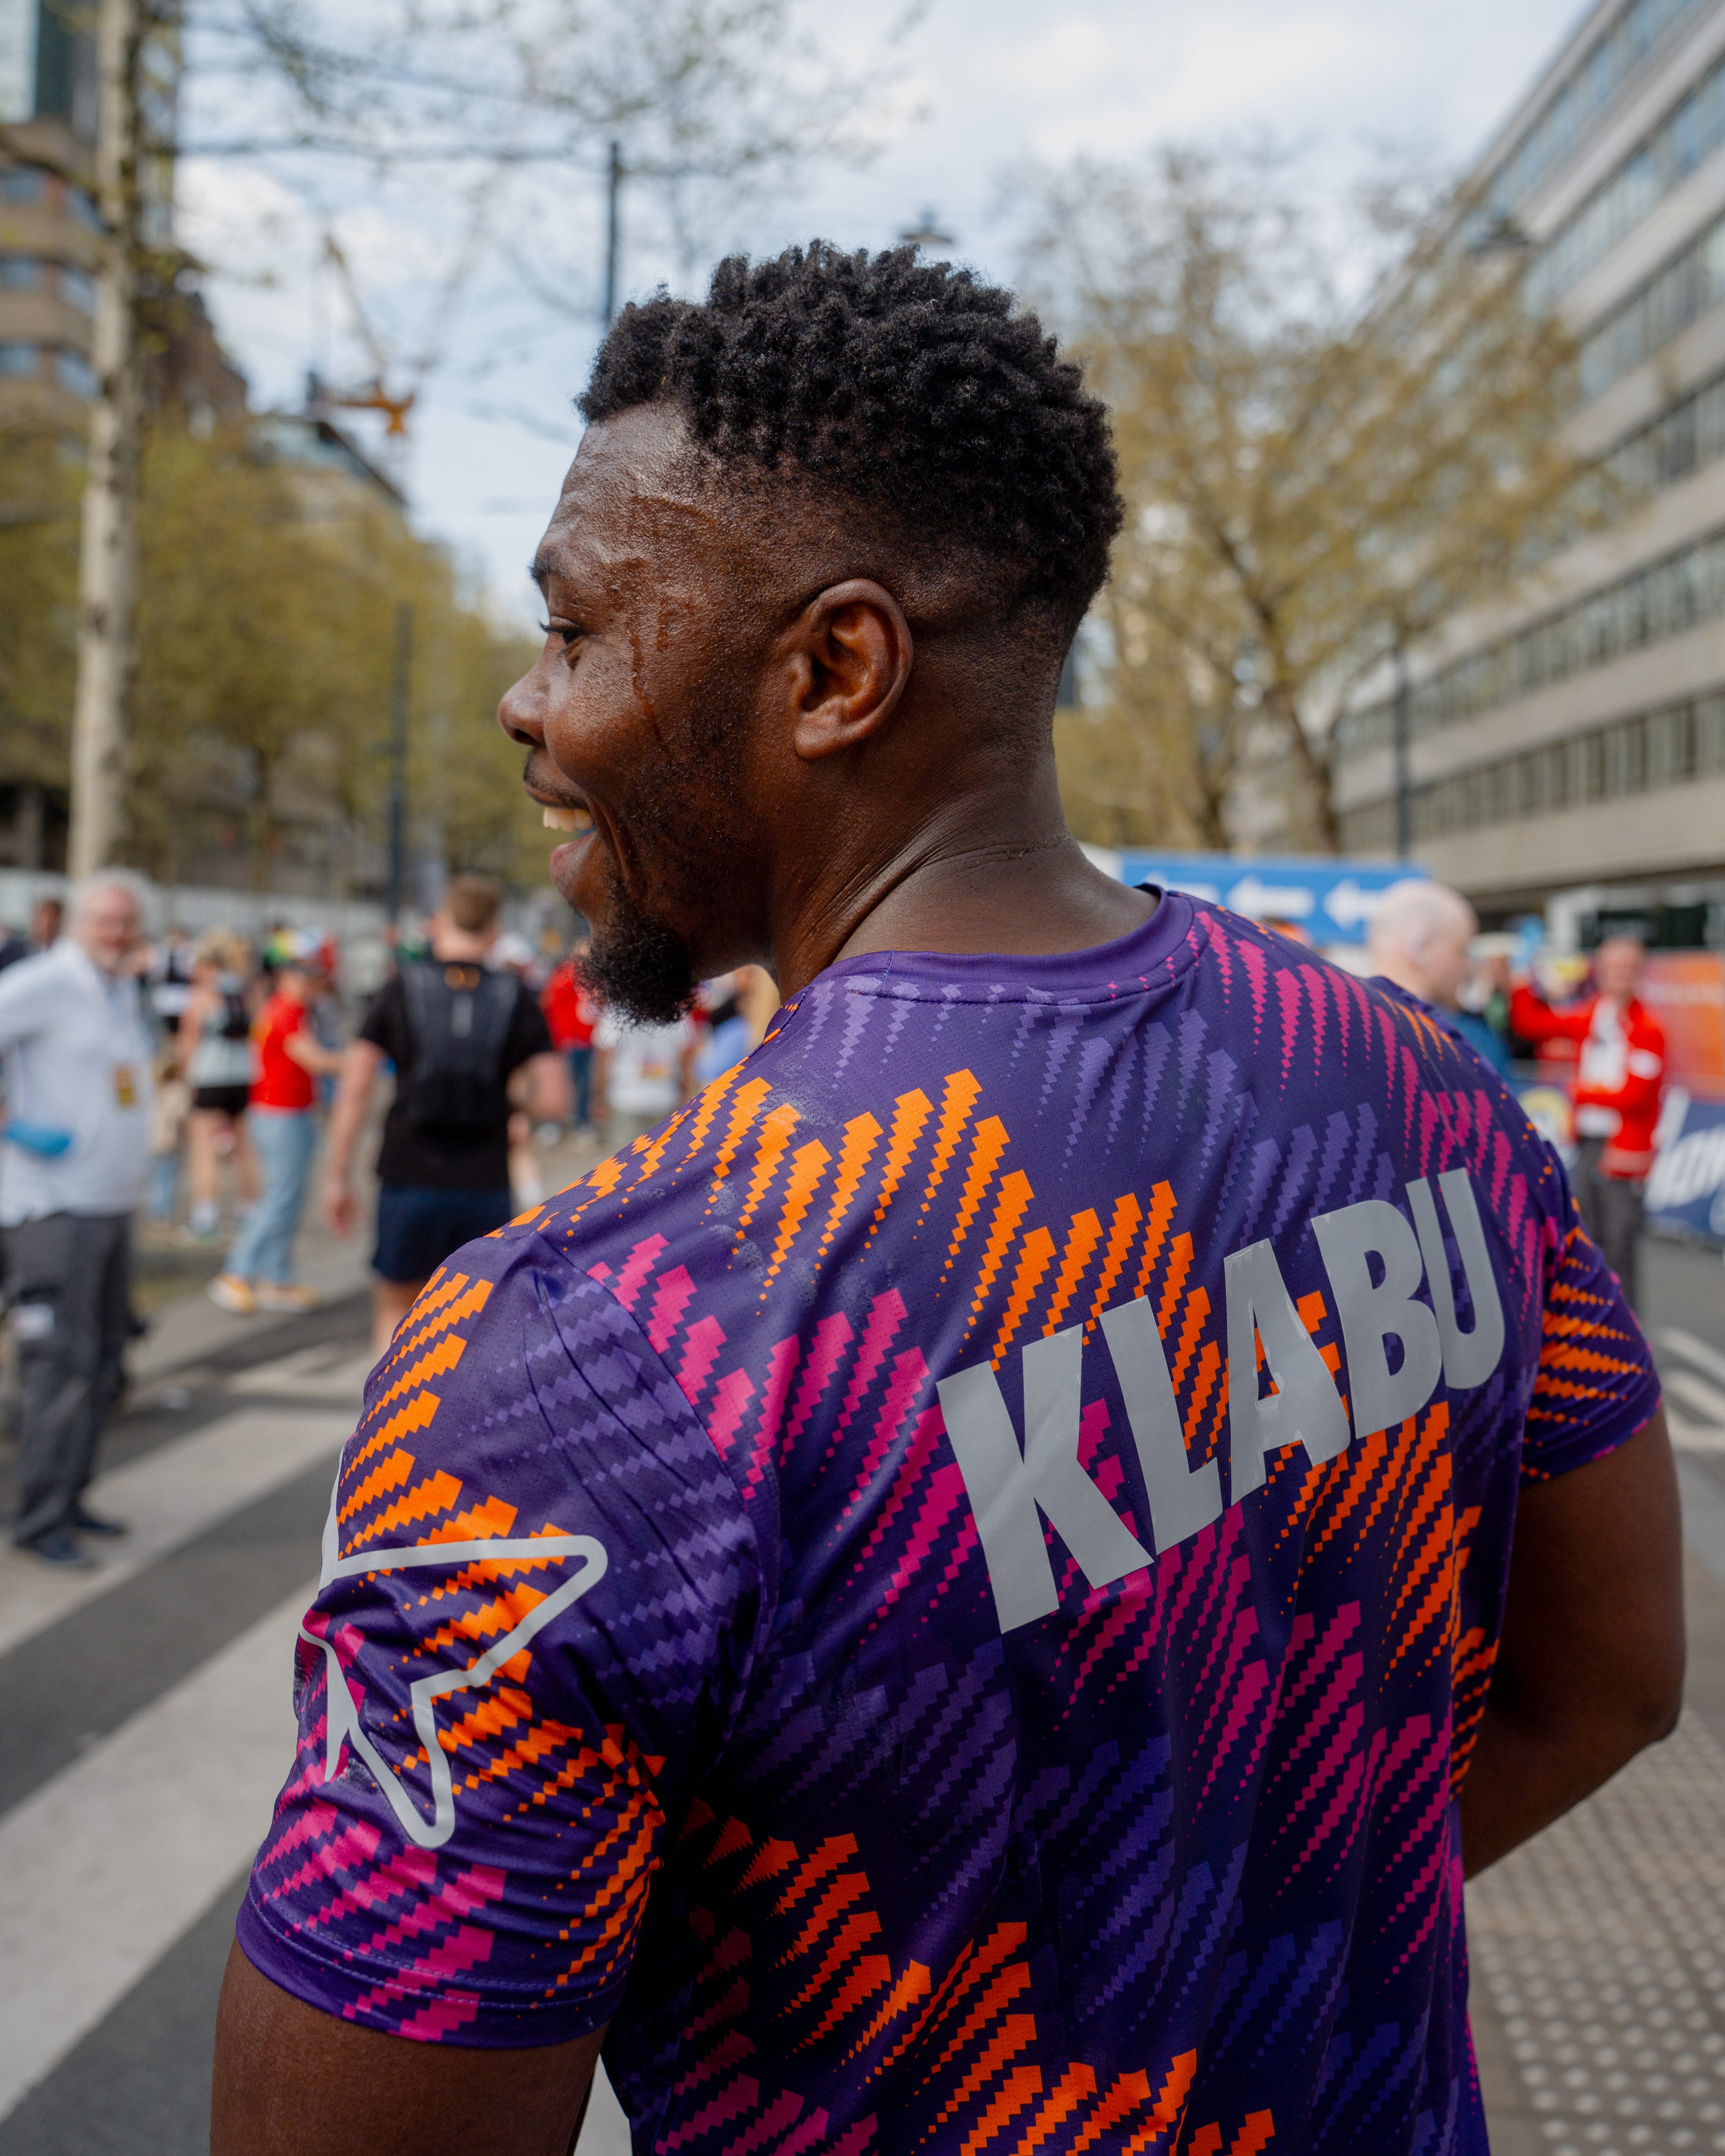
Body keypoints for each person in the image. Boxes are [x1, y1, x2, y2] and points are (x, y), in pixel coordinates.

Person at [215, 246, 1682, 2156]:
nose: (526, 698)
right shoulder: (1421, 1087)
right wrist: (1244, 1963)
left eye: (576, 628)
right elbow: (1613, 1683)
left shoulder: (591, 1347)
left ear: (834, 670)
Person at [321, 873, 569, 1357]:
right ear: (495, 929)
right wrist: (506, 1100)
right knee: (471, 1320)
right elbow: (555, 1100)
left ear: (437, 922)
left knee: (397, 1308)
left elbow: (353, 1090)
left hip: (408, 1175)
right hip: (483, 1180)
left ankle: (390, 1426)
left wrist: (337, 1177)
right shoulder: (515, 996)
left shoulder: (399, 989)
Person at [0, 874, 154, 1568]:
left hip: (111, 1203)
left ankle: (71, 1495)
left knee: (100, 1361)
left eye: (126, 923)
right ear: (78, 921)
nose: (116, 933)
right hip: (53, 1207)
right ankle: (37, 1517)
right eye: (104, 921)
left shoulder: (118, 987)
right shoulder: (44, 982)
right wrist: (12, 1125)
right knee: (58, 1366)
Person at [1511, 935, 1666, 1310]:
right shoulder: (1591, 1013)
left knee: (1619, 1245)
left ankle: (1628, 1341)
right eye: (1613, 967)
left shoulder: (1648, 1028)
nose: (1619, 975)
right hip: (1586, 1144)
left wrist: (1581, 1092)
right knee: (1585, 1241)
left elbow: (1633, 1095)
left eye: (1628, 968)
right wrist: (1524, 977)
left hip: (1624, 1154)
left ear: (1639, 972)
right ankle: (1594, 1331)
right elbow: (1530, 1024)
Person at [206, 934, 343, 1316]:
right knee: (279, 1197)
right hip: (279, 1115)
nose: (316, 986)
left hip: (290, 1113)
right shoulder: (284, 1011)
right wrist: (360, 1061)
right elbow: (313, 1058)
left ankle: (277, 1277)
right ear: (290, 975)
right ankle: (237, 1271)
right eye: (309, 977)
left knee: (290, 1197)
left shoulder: (288, 1008)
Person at [1368, 877, 1511, 1075]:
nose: (1467, 966)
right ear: (1420, 950)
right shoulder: (1470, 1042)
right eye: (1461, 951)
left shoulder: (1334, 1028)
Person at [178, 930, 260, 1240]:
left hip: (210, 1078)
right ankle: (248, 1210)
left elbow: (189, 1042)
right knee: (244, 1150)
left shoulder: (201, 996)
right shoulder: (246, 992)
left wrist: (187, 1080)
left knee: (203, 1150)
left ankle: (205, 1217)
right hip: (244, 1078)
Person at [592, 1004, 693, 1149]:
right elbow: (685, 1060)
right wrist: (686, 1094)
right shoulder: (677, 1012)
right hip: (661, 1098)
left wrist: (599, 1097)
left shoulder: (615, 1013)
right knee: (662, 1161)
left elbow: (605, 1060)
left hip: (627, 1098)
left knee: (625, 1163)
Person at [540, 937, 601, 1130]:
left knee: (583, 1085)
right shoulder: (564, 975)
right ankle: (554, 1123)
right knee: (561, 1083)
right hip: (567, 1039)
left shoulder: (595, 978)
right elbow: (551, 1006)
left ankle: (581, 1122)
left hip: (587, 1039)